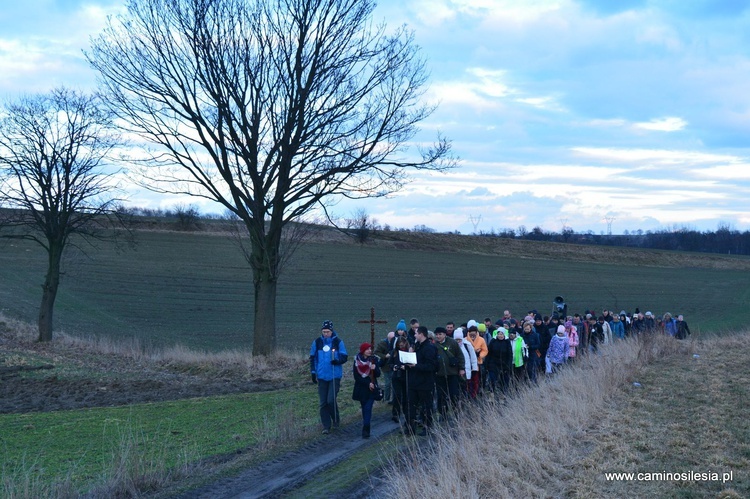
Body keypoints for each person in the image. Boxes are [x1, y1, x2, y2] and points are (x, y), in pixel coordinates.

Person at [309, 320, 348, 434]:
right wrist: (313, 372)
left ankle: (336, 420)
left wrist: (337, 361)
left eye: (327, 332)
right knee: (323, 403)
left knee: (330, 400)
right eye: (324, 331)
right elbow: (313, 358)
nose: (326, 334)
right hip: (321, 376)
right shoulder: (317, 342)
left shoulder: (338, 342)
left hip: (334, 375)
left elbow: (344, 357)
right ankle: (326, 426)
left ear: (331, 331)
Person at [404, 326, 438, 436]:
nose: (414, 335)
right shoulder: (416, 346)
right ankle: (410, 428)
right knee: (411, 406)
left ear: (422, 334)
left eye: (416, 333)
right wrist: (409, 354)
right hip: (413, 381)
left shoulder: (429, 348)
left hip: (425, 382)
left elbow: (431, 366)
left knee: (426, 406)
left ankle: (427, 428)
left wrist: (416, 366)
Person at [434, 326, 465, 419]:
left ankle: (456, 412)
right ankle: (443, 413)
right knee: (441, 395)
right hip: (439, 374)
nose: (438, 336)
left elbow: (460, 356)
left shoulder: (452, 342)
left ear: (444, 334)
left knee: (454, 394)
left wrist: (461, 368)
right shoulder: (434, 345)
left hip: (452, 373)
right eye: (437, 334)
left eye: (440, 334)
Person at [352, 343, 381, 438]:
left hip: (371, 389)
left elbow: (378, 374)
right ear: (363, 350)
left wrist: (375, 368)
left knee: (368, 408)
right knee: (364, 408)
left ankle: (366, 428)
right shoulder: (356, 360)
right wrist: (367, 383)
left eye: (370, 349)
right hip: (362, 388)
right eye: (367, 349)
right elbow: (357, 377)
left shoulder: (374, 360)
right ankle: (366, 423)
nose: (369, 351)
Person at [389, 336, 411, 423]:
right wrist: (393, 367)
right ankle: (395, 413)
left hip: (406, 375)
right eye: (400, 345)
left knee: (406, 395)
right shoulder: (394, 352)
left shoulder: (409, 351)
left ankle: (406, 412)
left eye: (402, 345)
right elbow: (390, 363)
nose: (401, 346)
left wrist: (405, 367)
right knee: (397, 395)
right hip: (396, 376)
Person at [374, 331, 395, 403]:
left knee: (394, 383)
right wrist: (385, 356)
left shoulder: (397, 343)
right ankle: (387, 399)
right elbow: (376, 353)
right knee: (388, 383)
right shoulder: (382, 344)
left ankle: (394, 399)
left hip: (394, 366)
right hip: (386, 366)